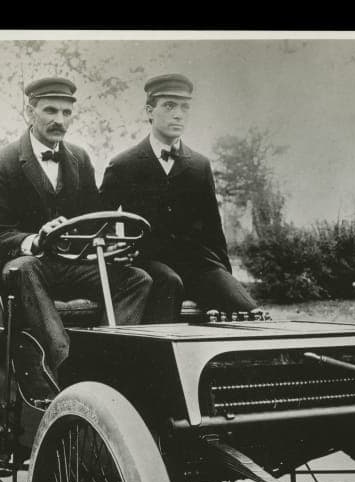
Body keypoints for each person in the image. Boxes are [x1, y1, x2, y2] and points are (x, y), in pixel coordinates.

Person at [0, 76, 153, 409]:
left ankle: (107, 361)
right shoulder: (2, 163)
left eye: (67, 112)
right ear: (29, 111)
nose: (60, 120)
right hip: (31, 265)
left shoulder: (80, 159)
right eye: (50, 110)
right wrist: (35, 239)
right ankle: (63, 364)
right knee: (25, 269)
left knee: (138, 279)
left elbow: (94, 217)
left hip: (75, 265)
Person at [100, 73, 259, 323]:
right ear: (150, 111)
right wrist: (114, 252)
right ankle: (160, 360)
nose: (178, 114)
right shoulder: (124, 164)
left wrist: (224, 277)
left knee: (250, 312)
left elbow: (214, 232)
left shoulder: (199, 165)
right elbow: (101, 220)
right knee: (169, 284)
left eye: (185, 107)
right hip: (149, 262)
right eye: (169, 106)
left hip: (197, 264)